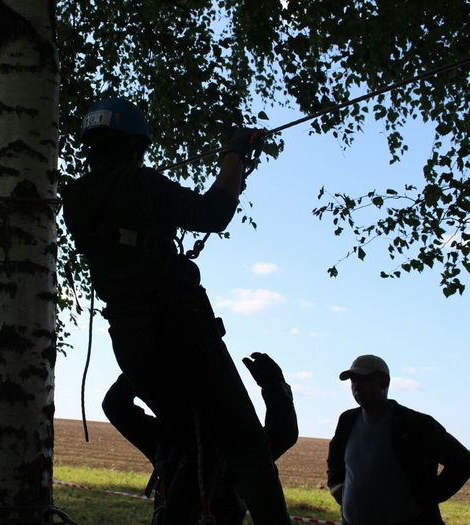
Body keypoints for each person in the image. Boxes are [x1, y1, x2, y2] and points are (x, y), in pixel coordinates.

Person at [61, 98, 291, 524]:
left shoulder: (75, 200)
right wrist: (235, 153)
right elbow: (213, 213)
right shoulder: (143, 186)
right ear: (135, 146)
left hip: (132, 344)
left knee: (196, 444)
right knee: (246, 448)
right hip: (182, 327)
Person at [102, 352, 298, 524]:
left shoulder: (170, 439)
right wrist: (275, 388)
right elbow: (282, 434)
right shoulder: (238, 444)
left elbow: (115, 406)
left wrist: (142, 364)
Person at [327, 354, 470, 525]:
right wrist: (336, 485)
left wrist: (422, 502)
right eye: (354, 381)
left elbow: (464, 463)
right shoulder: (347, 420)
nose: (357, 387)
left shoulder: (415, 425)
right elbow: (335, 457)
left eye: (365, 380)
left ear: (384, 383)